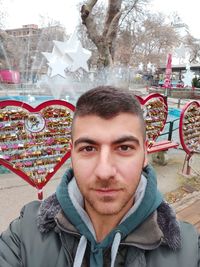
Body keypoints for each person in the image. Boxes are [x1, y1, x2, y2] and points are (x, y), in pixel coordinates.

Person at [0, 85, 199, 267]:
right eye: (88, 148)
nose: (104, 172)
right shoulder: (25, 235)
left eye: (124, 147)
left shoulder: (188, 250)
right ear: (71, 153)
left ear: (146, 154)